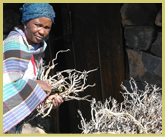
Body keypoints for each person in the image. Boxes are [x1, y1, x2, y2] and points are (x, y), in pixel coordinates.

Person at [3, 3, 63, 133]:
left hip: (21, 122)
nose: (42, 31)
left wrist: (46, 100)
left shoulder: (36, 50)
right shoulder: (13, 45)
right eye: (38, 25)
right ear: (25, 23)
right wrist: (37, 85)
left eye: (47, 27)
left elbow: (26, 88)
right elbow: (6, 85)